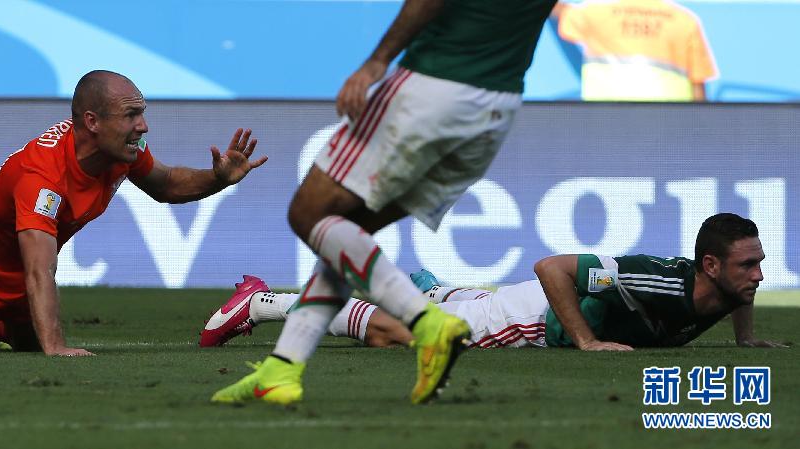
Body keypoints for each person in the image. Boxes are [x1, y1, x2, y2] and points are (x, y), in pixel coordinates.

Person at [211, 0, 568, 406]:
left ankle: (427, 322)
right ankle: (282, 369)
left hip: (436, 84)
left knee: (308, 213)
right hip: (496, 107)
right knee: (346, 237)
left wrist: (376, 62)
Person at [0, 70, 267, 356]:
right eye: (131, 115)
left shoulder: (124, 149)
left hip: (9, 270)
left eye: (141, 113)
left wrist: (218, 179)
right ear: (92, 121)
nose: (143, 126)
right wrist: (57, 347)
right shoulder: (42, 177)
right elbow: (39, 269)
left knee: (28, 347)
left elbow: (167, 184)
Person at [202, 213, 784, 351]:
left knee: (473, 308)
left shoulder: (720, 285)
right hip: (534, 317)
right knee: (407, 335)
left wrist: (746, 339)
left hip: (529, 307)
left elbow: (734, 294)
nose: (758, 276)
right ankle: (265, 303)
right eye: (747, 267)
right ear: (710, 267)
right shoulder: (656, 283)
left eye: (758, 264)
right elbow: (551, 268)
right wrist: (586, 341)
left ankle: (436, 290)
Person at [552, 0, 718, 101]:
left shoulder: (597, 14)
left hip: (607, 123)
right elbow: (698, 89)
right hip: (670, 129)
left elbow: (553, 8)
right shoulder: (684, 21)